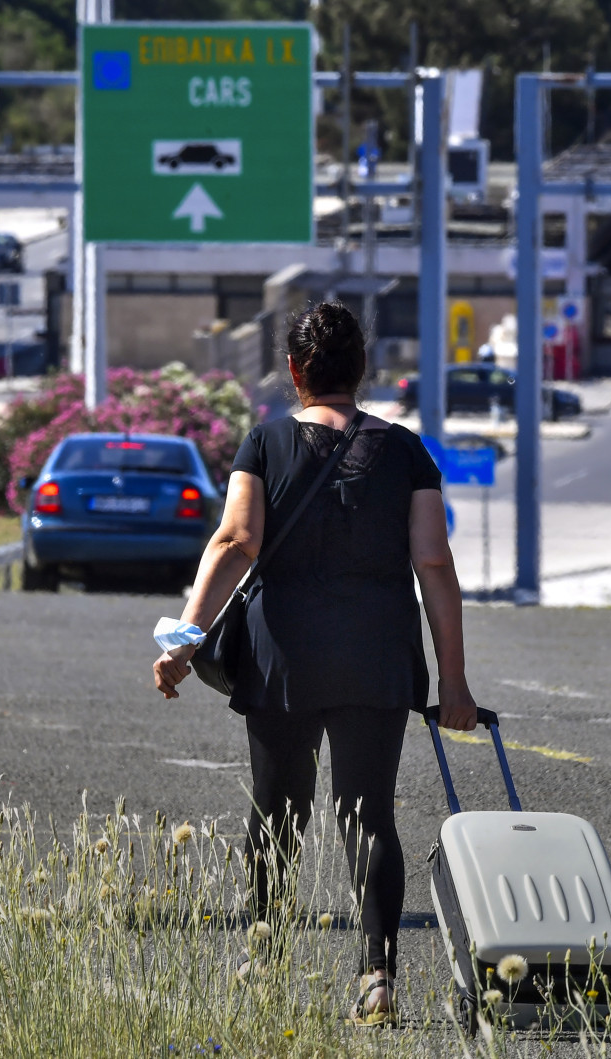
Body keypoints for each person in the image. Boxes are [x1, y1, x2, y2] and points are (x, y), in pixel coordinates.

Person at [152, 301, 478, 1027]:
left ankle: (262, 965)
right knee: (369, 816)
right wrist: (453, 681)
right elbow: (434, 562)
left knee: (277, 813)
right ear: (362, 370)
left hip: (283, 655)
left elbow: (235, 540)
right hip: (379, 654)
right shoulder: (409, 452)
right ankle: (379, 977)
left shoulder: (265, 442)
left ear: (294, 371)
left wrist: (183, 639)